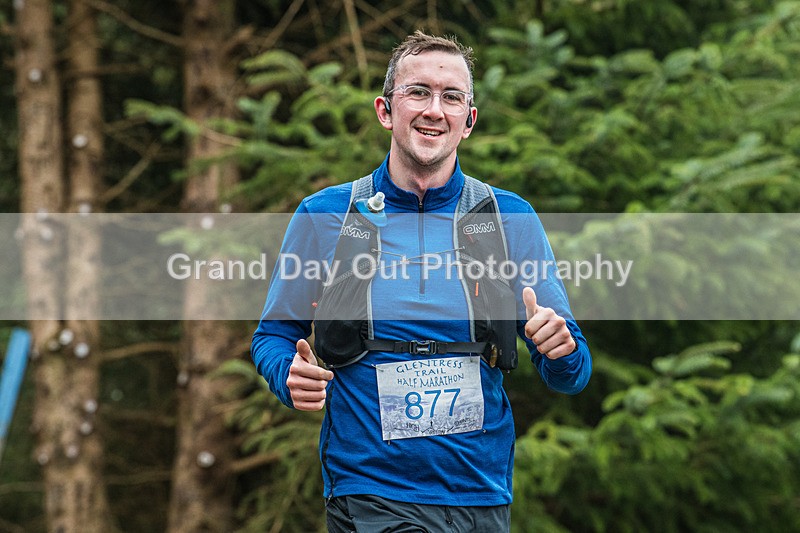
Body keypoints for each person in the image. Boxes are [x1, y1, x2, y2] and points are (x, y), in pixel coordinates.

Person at [251, 30, 592, 532]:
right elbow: (273, 335)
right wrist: (287, 375)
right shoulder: (325, 215)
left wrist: (559, 348)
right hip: (369, 489)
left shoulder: (508, 218)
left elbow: (573, 372)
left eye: (452, 97)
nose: (435, 109)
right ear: (386, 110)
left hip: (480, 492)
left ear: (468, 121)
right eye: (418, 92)